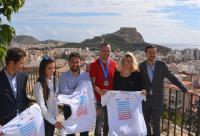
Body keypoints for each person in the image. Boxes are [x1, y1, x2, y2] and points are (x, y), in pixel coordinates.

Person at [139, 45, 190, 136]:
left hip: (157, 100)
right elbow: (136, 82)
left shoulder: (161, 65)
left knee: (156, 125)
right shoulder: (141, 66)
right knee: (145, 124)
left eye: (154, 52)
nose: (152, 54)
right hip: (144, 100)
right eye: (150, 52)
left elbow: (172, 78)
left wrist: (185, 89)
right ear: (145, 54)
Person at [89, 42, 117, 136]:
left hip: (110, 99)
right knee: (99, 123)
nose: (106, 52)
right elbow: (92, 84)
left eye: (108, 50)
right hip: (99, 99)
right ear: (100, 51)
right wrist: (99, 91)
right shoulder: (94, 64)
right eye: (104, 50)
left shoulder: (113, 63)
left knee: (108, 122)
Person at [59, 52, 90, 136]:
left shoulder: (86, 76)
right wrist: (80, 90)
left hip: (83, 107)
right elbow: (64, 93)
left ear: (80, 63)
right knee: (70, 132)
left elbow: (88, 91)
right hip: (69, 108)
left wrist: (73, 91)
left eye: (77, 62)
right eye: (72, 62)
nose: (75, 64)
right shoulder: (63, 76)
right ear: (69, 62)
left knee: (84, 131)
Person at [33, 56, 63, 136]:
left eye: (53, 68)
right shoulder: (39, 85)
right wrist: (54, 122)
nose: (52, 70)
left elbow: (57, 96)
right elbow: (42, 107)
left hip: (54, 116)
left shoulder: (55, 80)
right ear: (43, 69)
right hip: (45, 119)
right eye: (49, 68)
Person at [0, 47, 30, 127]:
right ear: (11, 63)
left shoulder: (23, 77)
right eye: (21, 63)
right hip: (5, 125)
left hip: (22, 122)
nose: (23, 66)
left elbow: (22, 97)